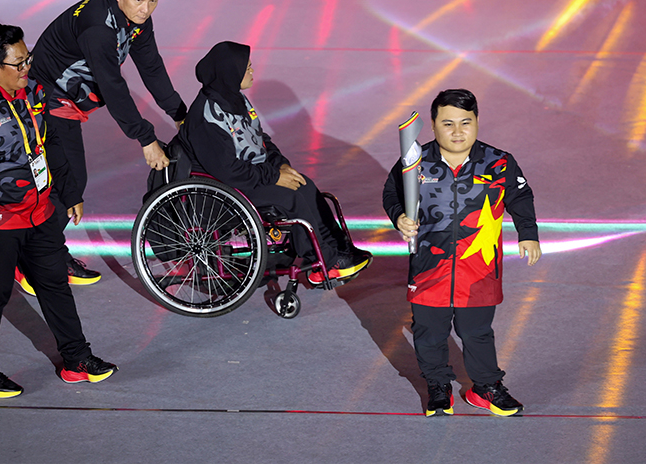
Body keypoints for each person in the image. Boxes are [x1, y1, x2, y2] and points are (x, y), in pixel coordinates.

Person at [0, 23, 117, 398]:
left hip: (40, 212)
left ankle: (77, 360)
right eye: (18, 63)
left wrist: (69, 192)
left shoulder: (34, 93)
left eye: (27, 58)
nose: (27, 67)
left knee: (55, 285)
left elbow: (53, 142)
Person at [25, 0, 187, 290]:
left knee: (64, 181)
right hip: (47, 101)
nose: (146, 9)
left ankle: (41, 253)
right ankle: (35, 263)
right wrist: (146, 138)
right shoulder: (98, 28)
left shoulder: (137, 18)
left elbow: (151, 67)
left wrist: (180, 113)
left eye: (153, 0)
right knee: (69, 182)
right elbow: (113, 87)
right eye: (139, 0)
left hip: (66, 102)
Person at [382, 89, 541, 417]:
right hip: (429, 267)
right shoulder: (415, 162)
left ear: (477, 121)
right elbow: (391, 192)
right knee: (429, 332)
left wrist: (528, 234)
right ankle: (438, 385)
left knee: (477, 332)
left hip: (480, 268)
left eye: (465, 122)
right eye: (448, 123)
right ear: (433, 125)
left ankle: (486, 387)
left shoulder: (499, 162)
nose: (457, 131)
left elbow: (521, 197)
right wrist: (399, 216)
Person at [176, 41, 371, 286]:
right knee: (291, 197)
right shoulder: (207, 116)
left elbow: (261, 139)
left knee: (304, 185)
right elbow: (227, 170)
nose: (252, 71)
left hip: (250, 175)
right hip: (225, 189)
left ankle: (338, 248)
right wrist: (274, 177)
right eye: (247, 67)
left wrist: (281, 165)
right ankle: (325, 263)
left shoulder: (236, 100)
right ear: (230, 72)